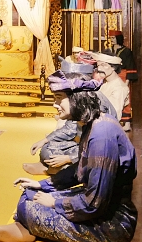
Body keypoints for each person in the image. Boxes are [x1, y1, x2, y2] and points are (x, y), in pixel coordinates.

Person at [0, 68, 138, 242]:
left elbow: (94, 203)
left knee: (28, 208)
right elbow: (79, 170)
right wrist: (42, 185)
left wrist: (54, 202)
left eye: (59, 98)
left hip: (111, 223)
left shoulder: (102, 135)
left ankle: (29, 228)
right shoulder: (92, 123)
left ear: (77, 99)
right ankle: (28, 226)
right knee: (29, 194)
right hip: (98, 208)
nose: (55, 104)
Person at [23, 59, 118, 187]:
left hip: (94, 167)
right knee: (47, 149)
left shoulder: (100, 124)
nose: (54, 105)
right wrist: (45, 140)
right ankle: (55, 170)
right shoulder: (81, 108)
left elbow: (95, 193)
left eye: (59, 98)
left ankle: (55, 170)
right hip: (84, 150)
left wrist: (69, 159)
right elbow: (70, 129)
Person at [94, 52, 128, 122]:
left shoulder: (119, 87)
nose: (99, 68)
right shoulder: (104, 83)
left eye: (103, 65)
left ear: (113, 67)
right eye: (98, 65)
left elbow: (114, 115)